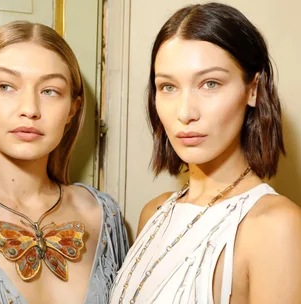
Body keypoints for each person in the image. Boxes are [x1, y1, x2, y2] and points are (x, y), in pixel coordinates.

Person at [110, 3, 301, 304]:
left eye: (210, 84)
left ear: (253, 89)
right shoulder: (154, 213)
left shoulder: (276, 226)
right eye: (168, 87)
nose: (185, 112)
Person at [0, 21, 128, 304]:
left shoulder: (104, 215)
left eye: (50, 91)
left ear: (72, 111)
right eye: (6, 86)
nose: (29, 109)